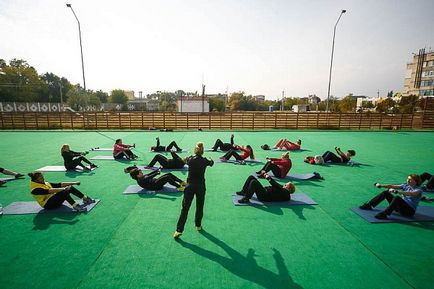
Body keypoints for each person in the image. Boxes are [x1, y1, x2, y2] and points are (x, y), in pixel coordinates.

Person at [174, 142, 214, 239]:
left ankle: (178, 230)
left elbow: (183, 160)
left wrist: (186, 158)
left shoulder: (190, 159)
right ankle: (198, 225)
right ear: (202, 151)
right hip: (200, 186)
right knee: (199, 206)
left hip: (190, 186)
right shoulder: (205, 161)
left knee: (185, 208)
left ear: (195, 150)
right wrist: (210, 159)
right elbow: (211, 163)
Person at [28, 171, 94, 212]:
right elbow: (50, 191)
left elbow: (59, 184)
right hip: (48, 205)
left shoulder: (44, 183)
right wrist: (64, 189)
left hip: (55, 200)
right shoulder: (35, 189)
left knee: (69, 187)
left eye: (42, 177)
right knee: (63, 191)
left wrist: (74, 183)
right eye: (41, 178)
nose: (43, 179)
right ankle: (76, 207)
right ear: (36, 180)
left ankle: (85, 198)